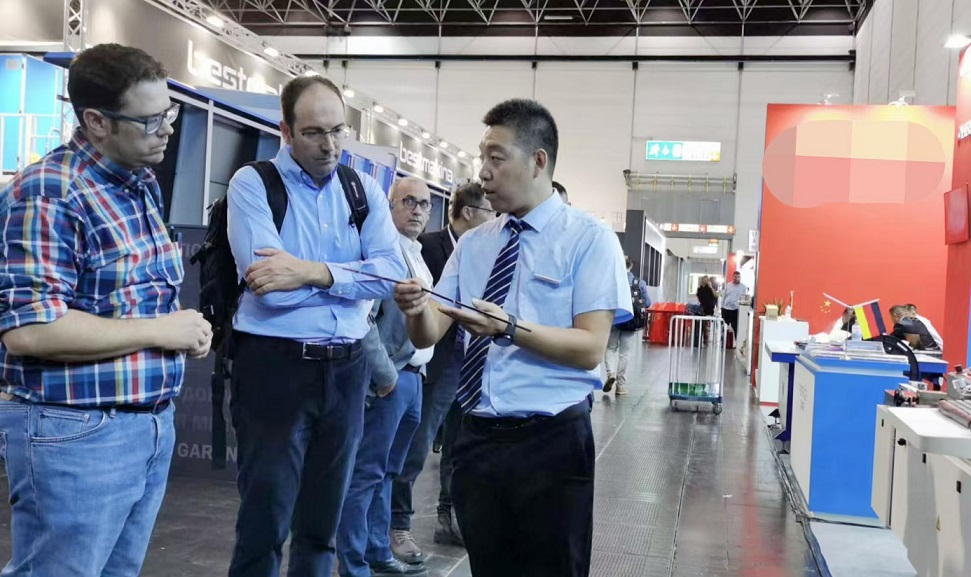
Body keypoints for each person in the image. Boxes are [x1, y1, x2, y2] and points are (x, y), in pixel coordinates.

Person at [393, 98, 632, 577]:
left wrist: (509, 328)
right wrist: (416, 309)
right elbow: (430, 332)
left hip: (552, 442)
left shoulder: (589, 239)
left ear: (538, 161)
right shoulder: (475, 244)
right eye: (482, 157)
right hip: (477, 440)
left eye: (496, 158)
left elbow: (590, 348)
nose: (483, 172)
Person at [0, 43, 212, 576]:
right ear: (96, 121)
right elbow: (31, 331)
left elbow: (130, 298)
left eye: (169, 113)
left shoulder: (138, 183)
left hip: (146, 426)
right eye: (151, 120)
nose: (167, 130)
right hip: (78, 431)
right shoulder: (50, 192)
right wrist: (161, 330)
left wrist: (183, 330)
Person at [225, 75, 407, 577]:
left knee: (321, 527)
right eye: (313, 133)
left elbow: (392, 274)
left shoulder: (362, 189)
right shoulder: (253, 184)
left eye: (338, 130)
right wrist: (353, 278)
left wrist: (311, 271)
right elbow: (269, 286)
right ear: (285, 131)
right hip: (274, 368)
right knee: (264, 522)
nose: (329, 145)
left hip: (347, 369)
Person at [390, 182, 494, 561]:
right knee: (415, 448)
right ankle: (397, 524)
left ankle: (448, 518)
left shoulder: (484, 251)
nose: (494, 219)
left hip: (469, 363)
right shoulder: (428, 248)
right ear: (469, 212)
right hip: (431, 364)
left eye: (425, 204)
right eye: (489, 212)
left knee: (457, 448)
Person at [337, 177, 435, 577]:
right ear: (390, 205)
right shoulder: (383, 253)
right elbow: (362, 319)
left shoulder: (416, 254)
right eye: (408, 201)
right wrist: (385, 376)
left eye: (425, 204)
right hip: (391, 380)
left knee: (389, 472)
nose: (417, 210)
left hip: (415, 377)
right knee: (367, 473)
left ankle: (377, 550)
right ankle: (353, 562)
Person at [603, 255, 651, 396]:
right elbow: (648, 303)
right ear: (631, 266)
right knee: (625, 353)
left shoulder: (612, 281)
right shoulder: (639, 283)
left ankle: (611, 373)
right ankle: (621, 386)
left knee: (611, 348)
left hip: (614, 319)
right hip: (631, 321)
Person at [721, 271, 747, 342]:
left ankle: (736, 342)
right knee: (724, 326)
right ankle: (723, 341)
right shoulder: (728, 285)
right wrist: (722, 307)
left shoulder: (743, 287)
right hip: (726, 309)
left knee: (735, 327)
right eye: (735, 277)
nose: (736, 278)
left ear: (740, 278)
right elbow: (723, 297)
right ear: (733, 277)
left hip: (736, 310)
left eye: (738, 277)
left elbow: (744, 299)